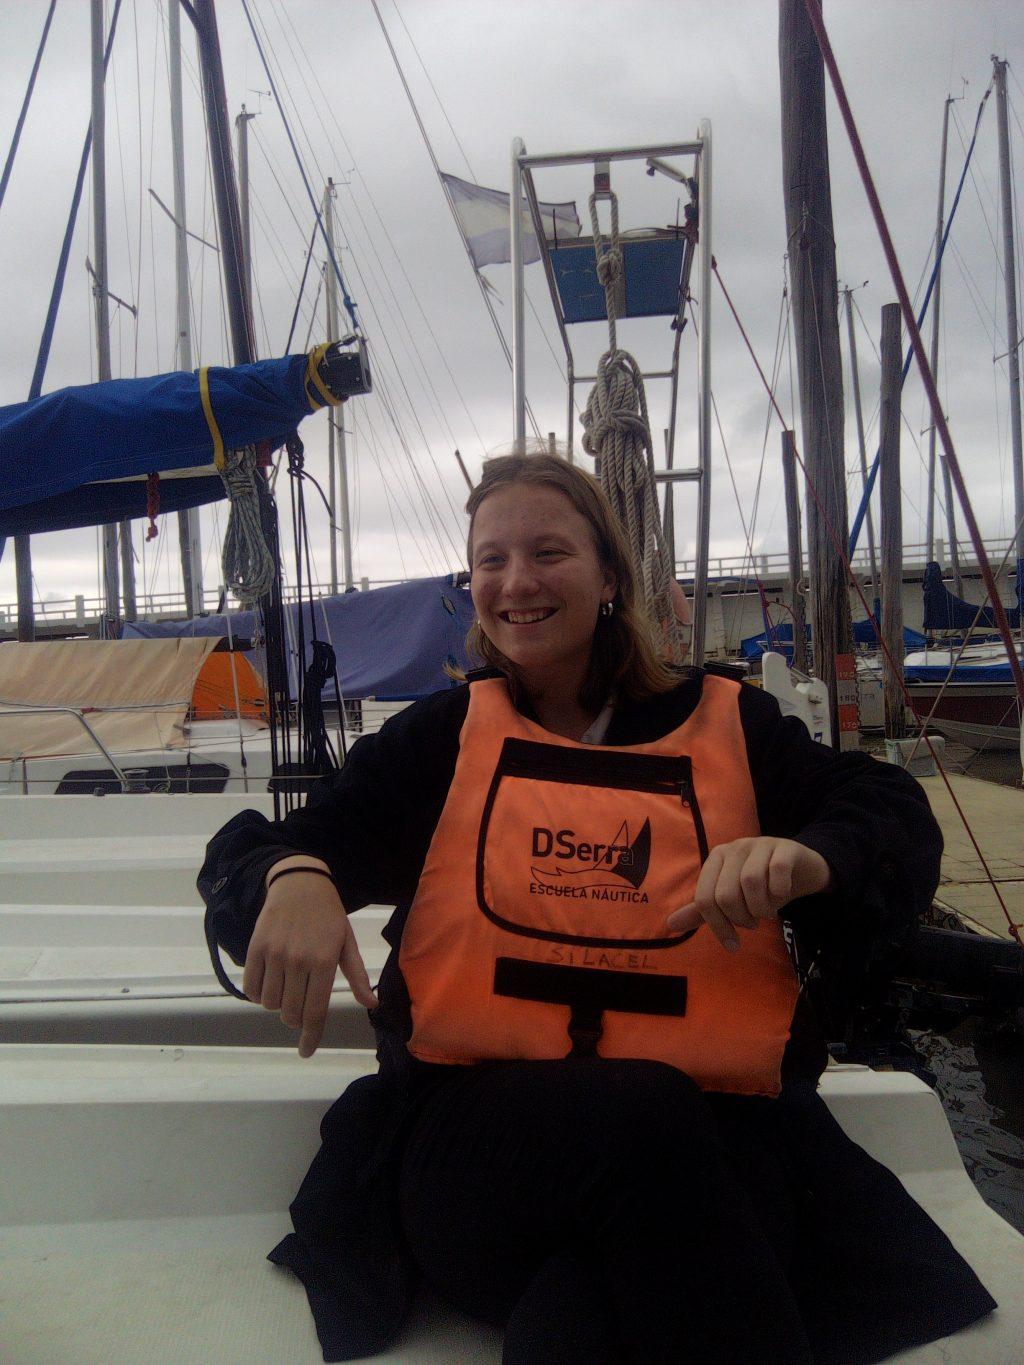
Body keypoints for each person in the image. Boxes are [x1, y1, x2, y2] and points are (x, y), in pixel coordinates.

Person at [201, 453, 995, 1364]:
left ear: (609, 576)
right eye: (490, 560)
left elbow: (890, 817)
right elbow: (258, 850)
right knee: (644, 1119)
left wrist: (809, 856)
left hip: (714, 1140)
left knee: (579, 1323)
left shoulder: (733, 725)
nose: (516, 582)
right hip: (480, 1151)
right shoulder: (445, 739)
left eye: (548, 552)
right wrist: (295, 875)